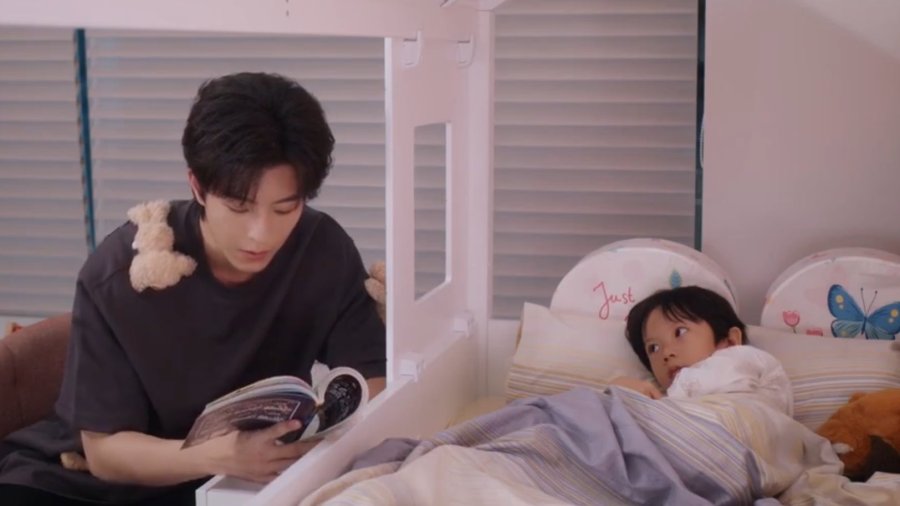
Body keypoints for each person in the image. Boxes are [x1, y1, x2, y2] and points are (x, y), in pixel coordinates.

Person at [0, 72, 386, 505]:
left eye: (285, 208)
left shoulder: (321, 250)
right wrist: (216, 456)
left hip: (224, 485)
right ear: (197, 186)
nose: (261, 234)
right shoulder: (122, 273)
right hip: (78, 485)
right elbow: (104, 454)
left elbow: (370, 380)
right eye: (238, 207)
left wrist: (320, 442)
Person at [611, 286, 792, 416]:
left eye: (680, 332)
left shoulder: (745, 364)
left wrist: (641, 402)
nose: (666, 353)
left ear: (730, 341)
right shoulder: (672, 397)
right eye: (654, 348)